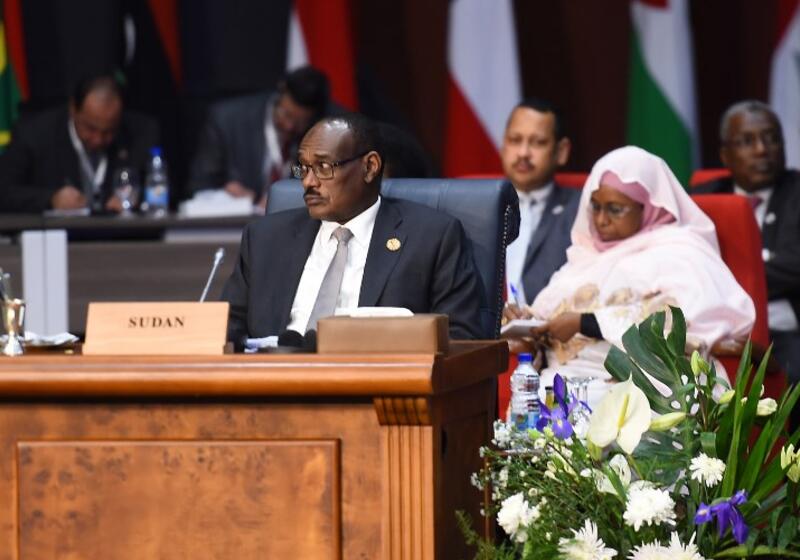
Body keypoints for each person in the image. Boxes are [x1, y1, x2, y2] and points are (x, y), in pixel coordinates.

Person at [514, 146, 754, 405]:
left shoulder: (681, 251)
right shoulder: (583, 257)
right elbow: (548, 315)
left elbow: (687, 323)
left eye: (615, 209)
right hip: (565, 380)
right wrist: (527, 321)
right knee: (529, 407)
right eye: (595, 207)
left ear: (648, 207)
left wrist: (587, 323)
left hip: (645, 384)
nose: (601, 219)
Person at [221, 113, 487, 346]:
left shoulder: (431, 238)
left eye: (324, 167)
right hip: (272, 389)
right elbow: (225, 331)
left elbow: (461, 338)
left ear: (370, 167)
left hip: (380, 394)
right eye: (303, 168)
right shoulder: (265, 239)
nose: (309, 182)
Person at [691, 100, 800, 383]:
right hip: (715, 332)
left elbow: (794, 266)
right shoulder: (703, 199)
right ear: (726, 155)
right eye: (747, 141)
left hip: (786, 331)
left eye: (771, 138)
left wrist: (719, 279)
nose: (762, 149)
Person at [0, 74, 159, 213]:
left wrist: (135, 199)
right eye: (90, 128)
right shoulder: (35, 134)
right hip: (58, 239)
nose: (98, 139)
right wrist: (51, 199)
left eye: (108, 131)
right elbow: (4, 191)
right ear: (73, 109)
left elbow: (162, 190)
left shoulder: (141, 133)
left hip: (121, 239)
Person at [186, 66, 330, 206]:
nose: (289, 126)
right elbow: (200, 184)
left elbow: (308, 178)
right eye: (286, 114)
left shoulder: (322, 133)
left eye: (300, 122)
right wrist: (229, 193)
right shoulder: (227, 121)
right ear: (280, 93)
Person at [500, 98, 580, 307]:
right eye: (515, 140)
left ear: (561, 151)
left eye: (537, 142)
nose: (523, 153)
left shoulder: (583, 210)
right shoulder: (474, 206)